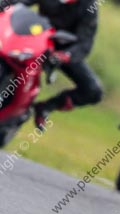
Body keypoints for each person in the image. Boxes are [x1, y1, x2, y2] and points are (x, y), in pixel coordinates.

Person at [8, 0, 103, 130]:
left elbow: (84, 43)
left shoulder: (89, 5)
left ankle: (45, 107)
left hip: (61, 50)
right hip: (35, 37)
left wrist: (66, 55)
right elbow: (18, 2)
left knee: (93, 91)